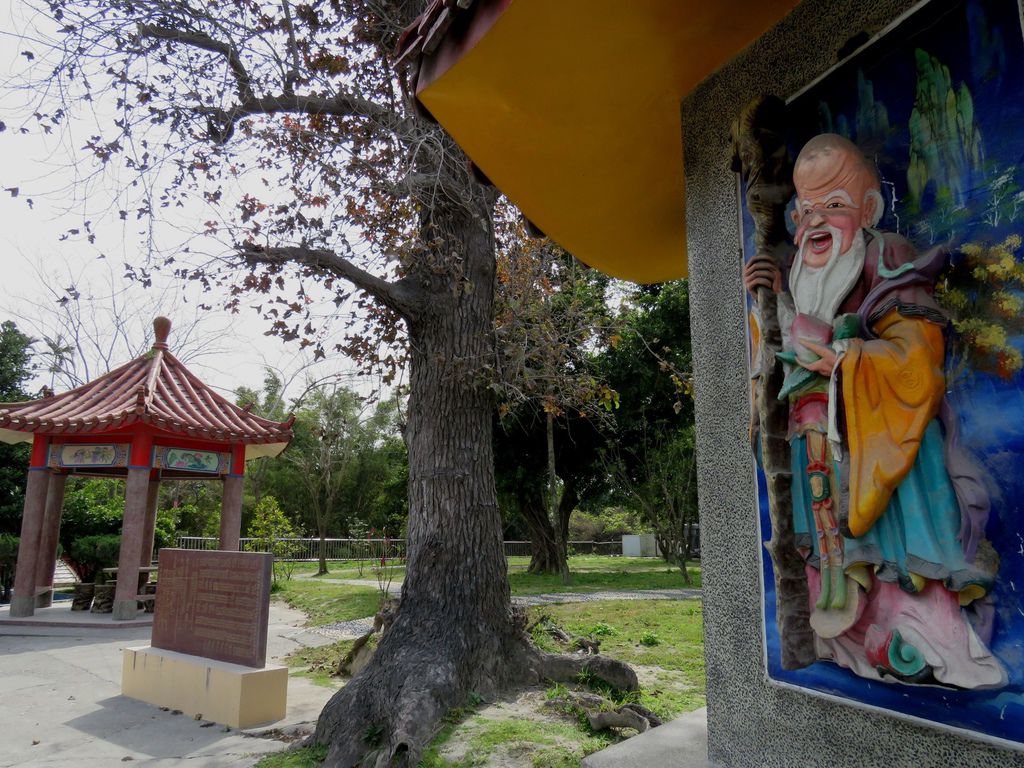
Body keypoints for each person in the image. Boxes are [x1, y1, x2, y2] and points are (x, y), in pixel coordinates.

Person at [744, 133, 1005, 689]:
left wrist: (842, 360)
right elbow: (778, 346)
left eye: (834, 207)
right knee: (825, 549)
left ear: (868, 210)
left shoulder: (889, 259)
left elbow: (917, 360)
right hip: (812, 440)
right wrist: (767, 301)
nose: (817, 222)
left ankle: (930, 640)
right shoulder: (799, 270)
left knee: (893, 559)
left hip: (881, 443)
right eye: (806, 209)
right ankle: (844, 639)